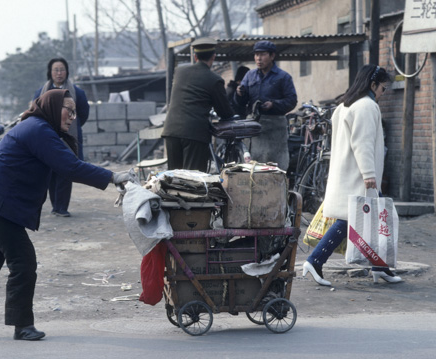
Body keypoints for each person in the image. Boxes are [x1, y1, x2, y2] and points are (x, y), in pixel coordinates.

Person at [0, 89, 133, 340]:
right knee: (23, 262)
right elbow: (70, 167)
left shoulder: (37, 127)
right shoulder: (38, 129)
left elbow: (64, 166)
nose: (72, 116)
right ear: (51, 107)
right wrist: (113, 176)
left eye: (74, 112)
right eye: (68, 110)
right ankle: (23, 326)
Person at [302, 64, 402, 286]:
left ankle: (380, 267)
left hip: (346, 171)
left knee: (366, 220)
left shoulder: (345, 106)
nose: (382, 94)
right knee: (350, 221)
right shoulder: (367, 106)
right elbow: (363, 143)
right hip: (358, 174)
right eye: (382, 89)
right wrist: (369, 175)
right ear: (373, 84)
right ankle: (314, 260)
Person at [161, 37, 235, 172]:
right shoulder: (215, 79)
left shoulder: (179, 72)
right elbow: (224, 112)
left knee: (173, 178)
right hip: (194, 134)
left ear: (195, 57)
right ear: (213, 57)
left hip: (171, 130)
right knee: (193, 179)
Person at [34, 57, 89, 217]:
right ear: (50, 73)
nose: (59, 73)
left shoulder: (77, 92)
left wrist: (70, 127)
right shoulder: (41, 92)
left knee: (67, 170)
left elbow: (83, 114)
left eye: (62, 69)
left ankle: (62, 207)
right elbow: (35, 112)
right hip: (47, 137)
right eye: (56, 70)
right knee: (50, 171)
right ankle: (55, 205)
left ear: (67, 72)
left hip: (68, 137)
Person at [234, 40, 297, 170]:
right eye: (256, 55)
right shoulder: (250, 76)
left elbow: (292, 101)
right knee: (252, 167)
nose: (258, 58)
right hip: (254, 129)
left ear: (272, 56)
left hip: (275, 130)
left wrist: (274, 104)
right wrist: (239, 94)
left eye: (262, 54)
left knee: (274, 167)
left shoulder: (283, 77)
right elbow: (240, 103)